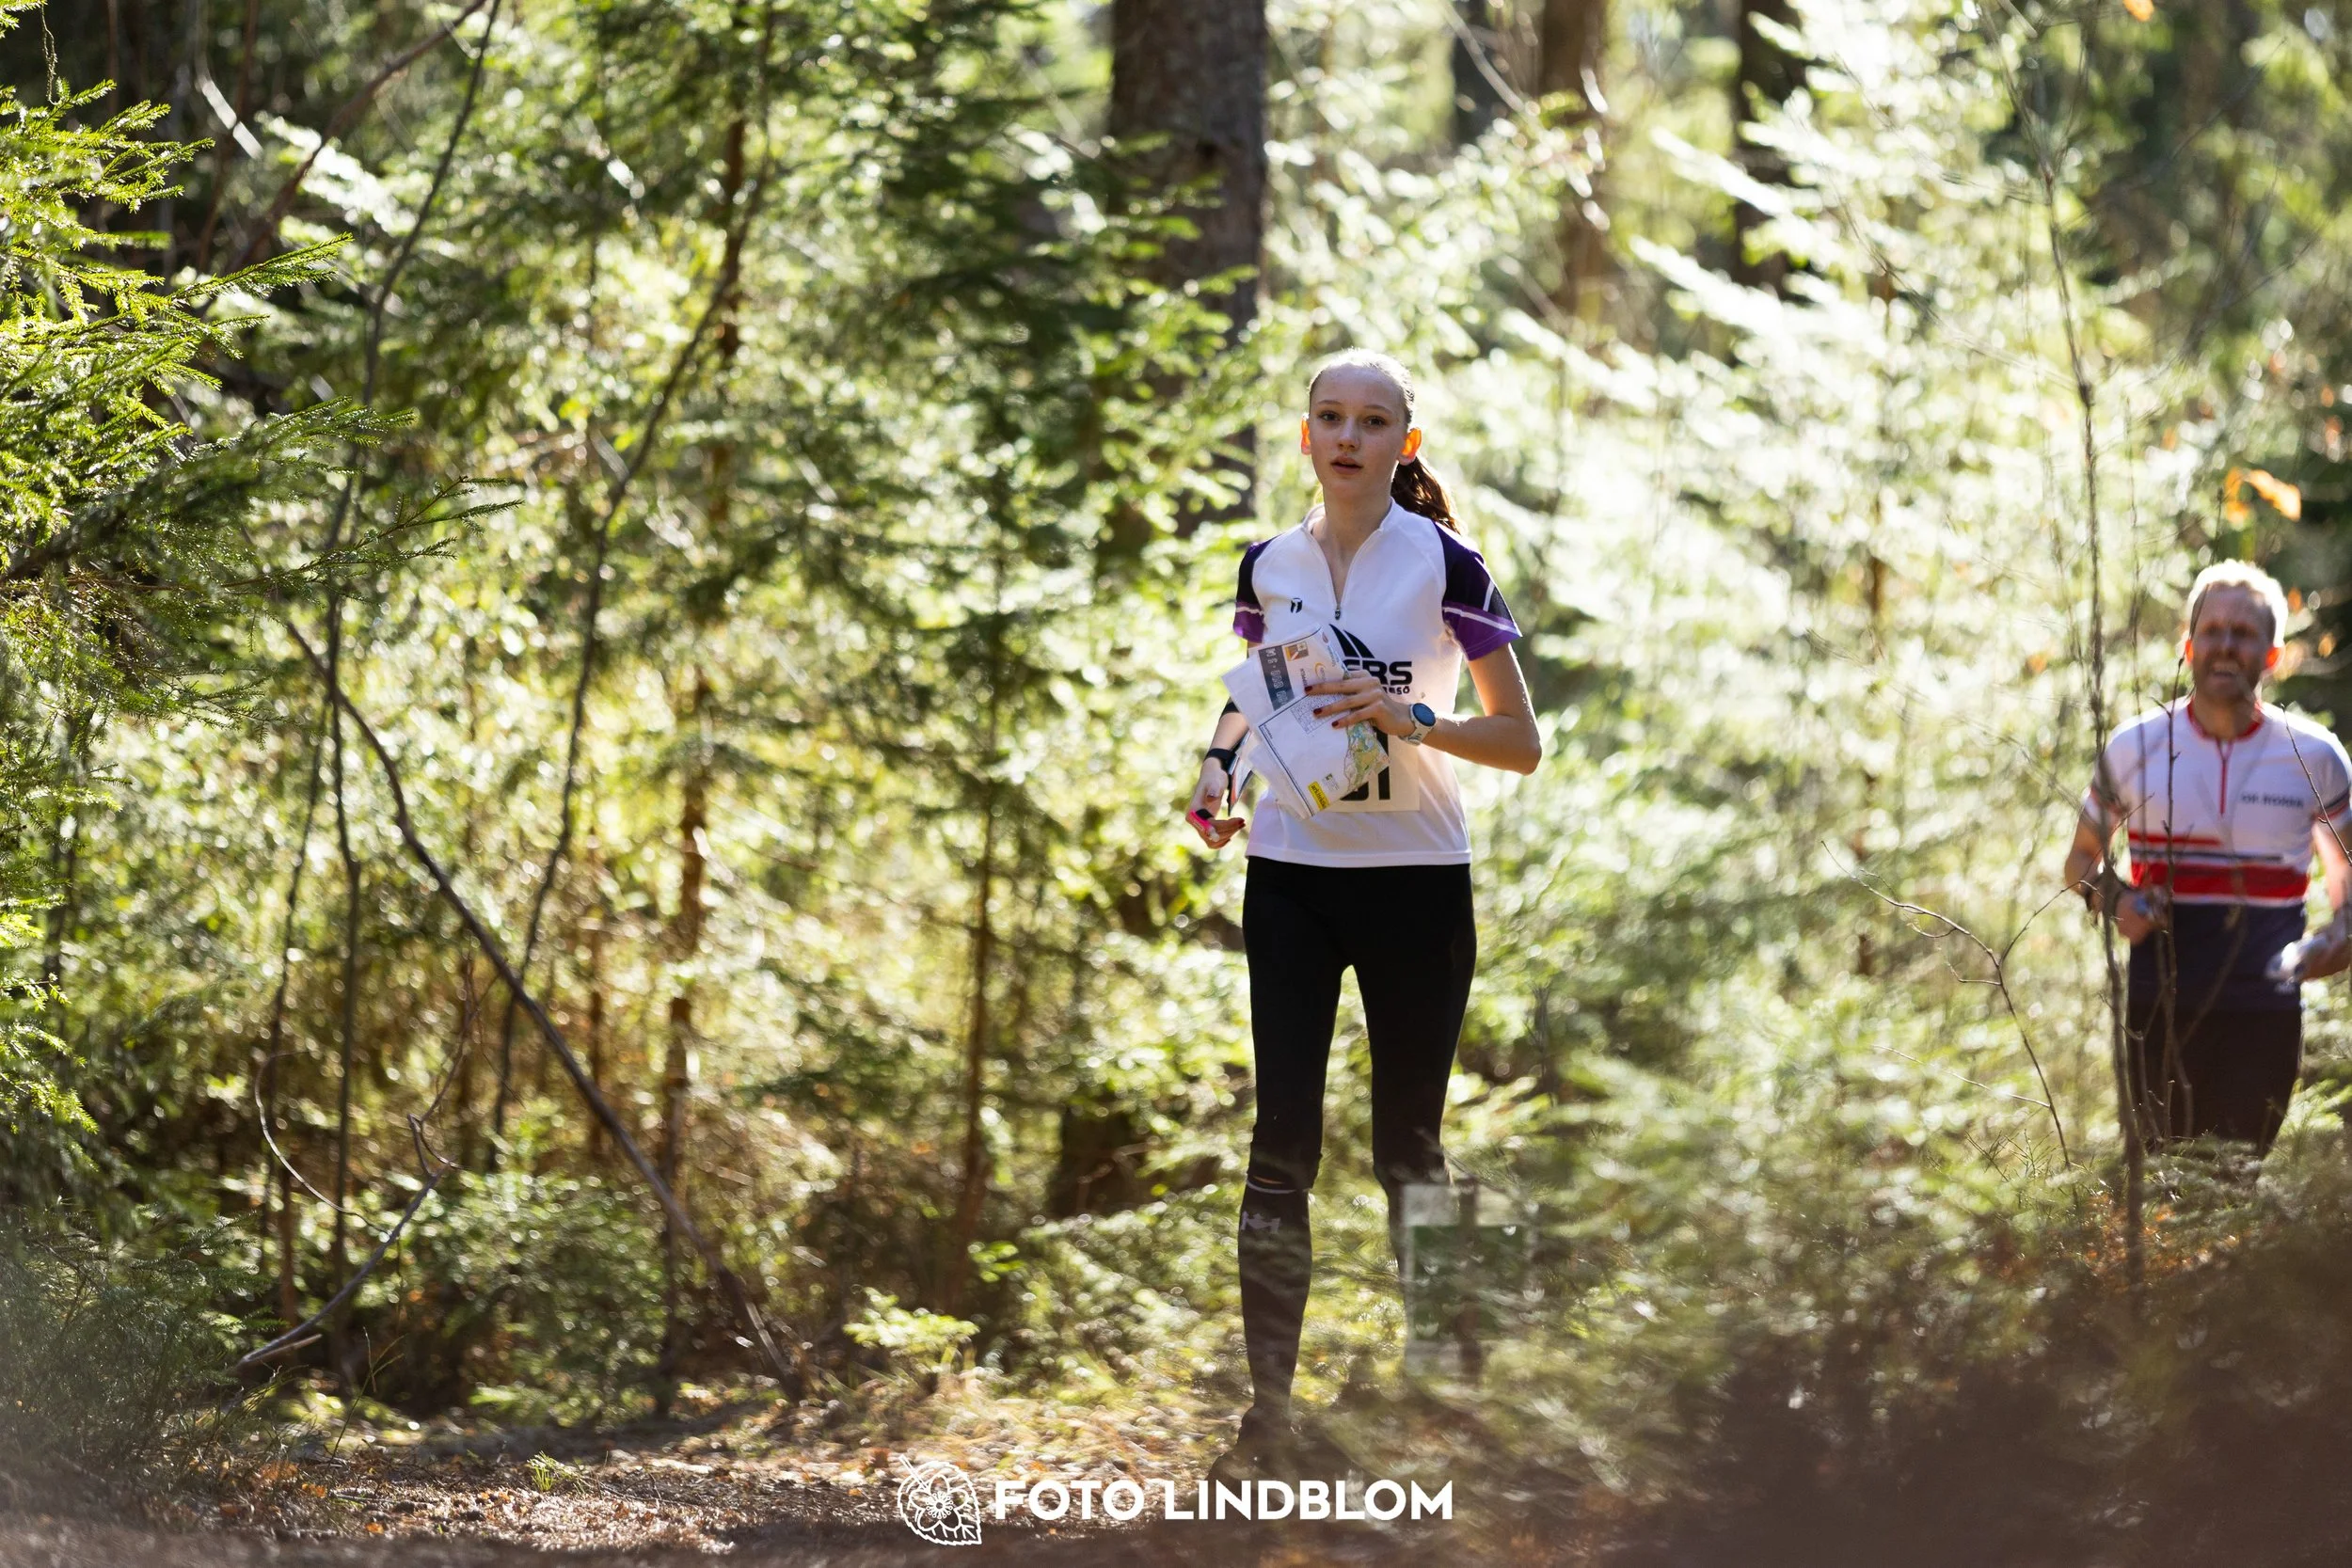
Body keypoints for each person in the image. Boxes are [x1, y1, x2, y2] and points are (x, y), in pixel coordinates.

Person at [1186, 350, 1541, 1478]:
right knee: (1278, 1147)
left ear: (1405, 445)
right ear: (1305, 438)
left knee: (1409, 1149)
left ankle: (1443, 1384)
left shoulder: (1447, 565)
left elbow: (1521, 745)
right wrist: (1217, 771)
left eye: (1372, 420)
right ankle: (1269, 1415)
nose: (1347, 437)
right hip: (1290, 878)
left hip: (1414, 884)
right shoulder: (1272, 563)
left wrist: (1407, 715)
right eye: (1329, 418)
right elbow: (1257, 697)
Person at [2062, 561, 2352, 1153]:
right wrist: (2116, 899)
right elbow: (2080, 862)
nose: (2225, 646)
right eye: (2212, 631)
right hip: (2157, 1008)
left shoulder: (2315, 757)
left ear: (2272, 656)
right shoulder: (2135, 747)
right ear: (2189, 646)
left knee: (2236, 1183)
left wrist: (2336, 941)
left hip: (2263, 1013)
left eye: (2243, 634)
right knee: (2169, 1186)